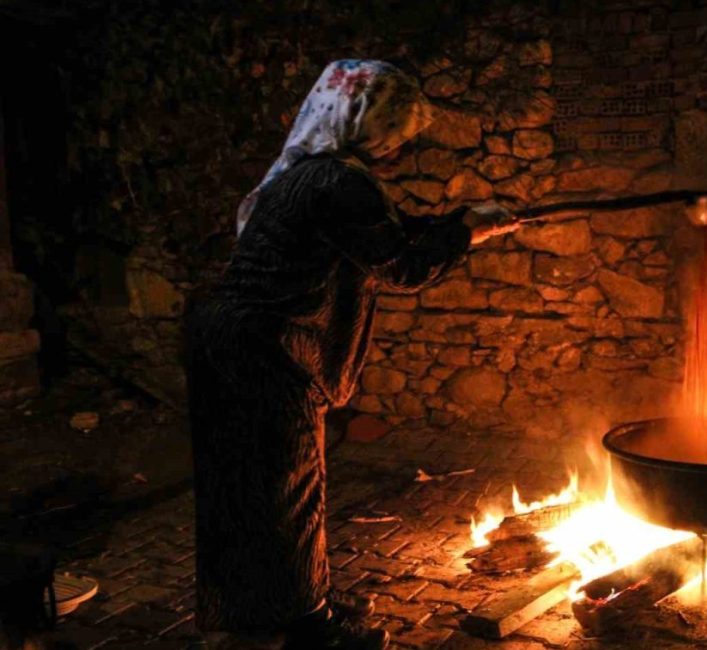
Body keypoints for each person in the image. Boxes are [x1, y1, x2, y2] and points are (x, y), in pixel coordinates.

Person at [185, 60, 516, 650]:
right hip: (268, 349)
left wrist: (465, 225)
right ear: (364, 120)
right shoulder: (342, 181)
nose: (397, 145)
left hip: (226, 341)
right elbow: (402, 266)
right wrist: (461, 232)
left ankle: (275, 611)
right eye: (395, 130)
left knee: (248, 493)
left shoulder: (306, 175)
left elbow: (380, 232)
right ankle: (311, 628)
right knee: (289, 489)